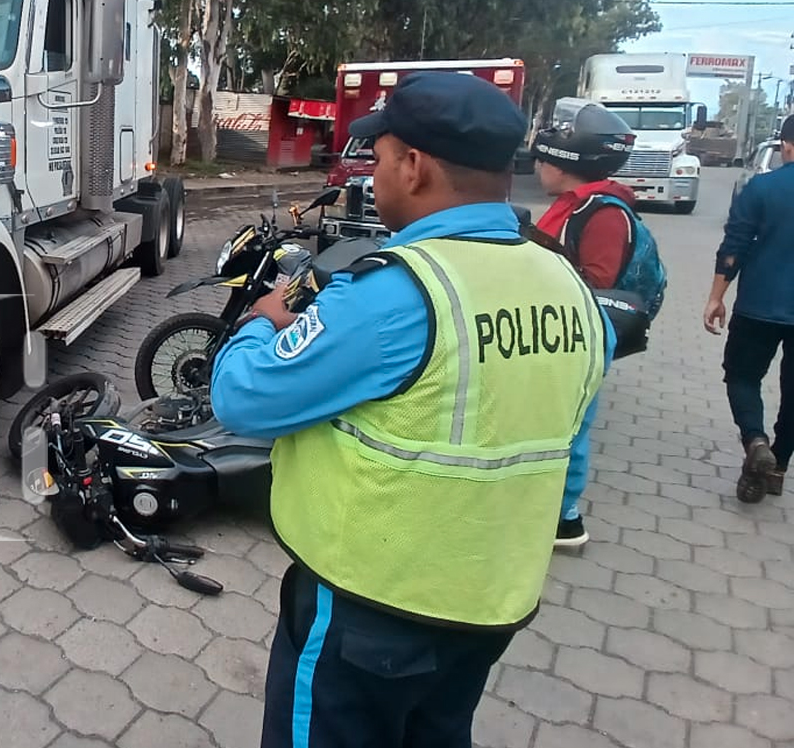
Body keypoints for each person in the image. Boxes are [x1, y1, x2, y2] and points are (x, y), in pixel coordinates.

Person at [210, 71, 615, 748]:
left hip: (370, 609)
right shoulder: (567, 286)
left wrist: (261, 320)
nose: (374, 175)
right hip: (491, 603)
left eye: (381, 158)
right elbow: (572, 441)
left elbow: (242, 397)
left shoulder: (398, 293)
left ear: (415, 166)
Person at [530, 99, 640, 548]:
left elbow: (597, 281)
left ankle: (565, 517)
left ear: (566, 163)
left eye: (544, 160)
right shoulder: (575, 203)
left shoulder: (605, 212)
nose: (539, 167)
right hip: (557, 324)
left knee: (570, 422)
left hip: (581, 329)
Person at [703, 114, 794, 503]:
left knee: (742, 376)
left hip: (758, 305)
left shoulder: (761, 188)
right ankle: (776, 467)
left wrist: (716, 296)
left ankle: (755, 441)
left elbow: (734, 246)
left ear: (786, 145)